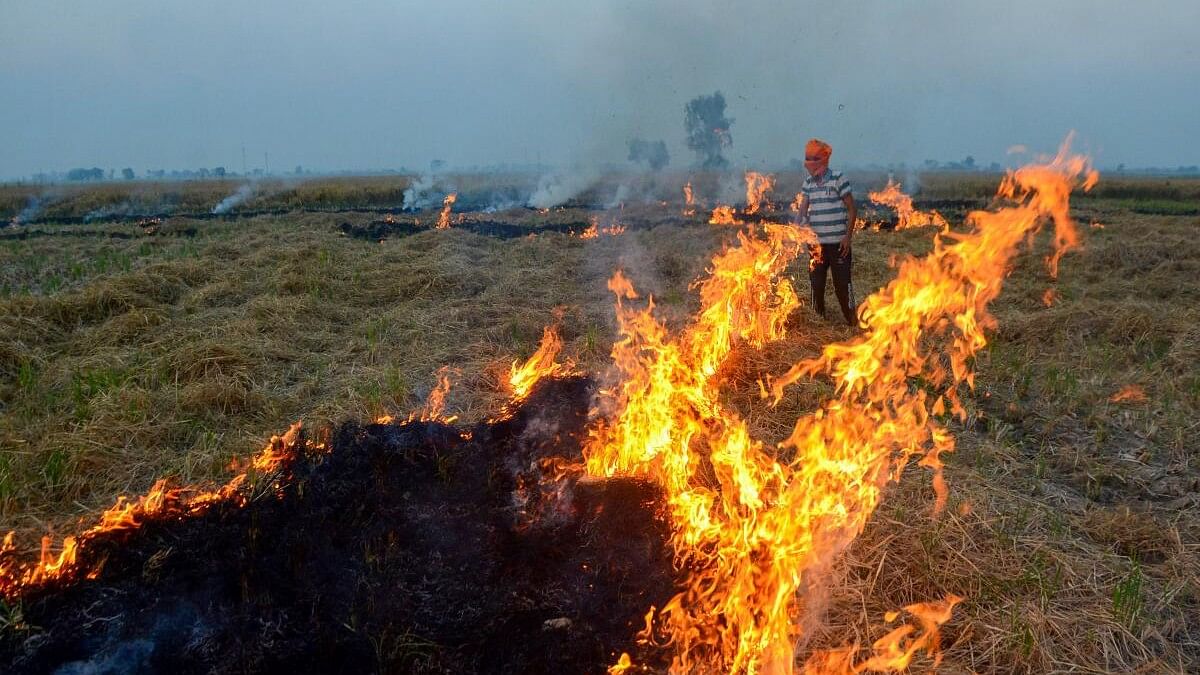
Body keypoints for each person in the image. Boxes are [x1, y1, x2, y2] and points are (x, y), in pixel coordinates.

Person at [798, 138, 858, 326]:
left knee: (842, 285)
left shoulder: (838, 179)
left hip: (839, 245)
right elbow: (803, 210)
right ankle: (819, 322)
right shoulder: (808, 183)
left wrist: (847, 238)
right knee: (816, 285)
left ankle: (852, 322)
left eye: (813, 158)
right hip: (816, 246)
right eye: (807, 159)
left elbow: (852, 209)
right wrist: (798, 226)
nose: (809, 163)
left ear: (823, 159)